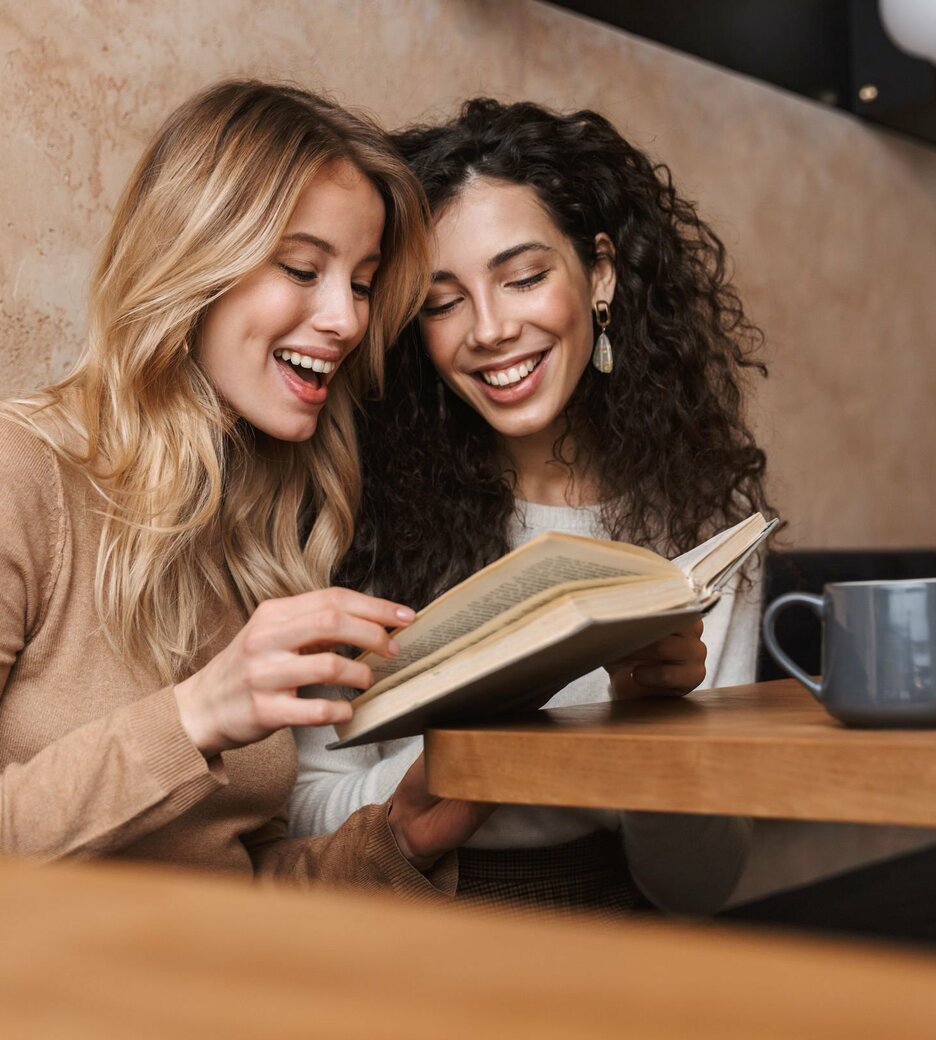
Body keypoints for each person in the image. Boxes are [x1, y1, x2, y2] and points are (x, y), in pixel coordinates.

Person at [0, 80, 492, 895]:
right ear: (192, 257)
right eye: (302, 267)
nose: (347, 321)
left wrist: (395, 841)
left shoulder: (250, 529)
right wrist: (191, 719)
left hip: (195, 998)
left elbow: (226, 884)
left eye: (359, 282)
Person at [291, 99, 775, 914]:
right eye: (443, 302)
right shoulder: (356, 512)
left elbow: (699, 887)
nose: (489, 329)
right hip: (403, 915)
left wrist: (648, 720)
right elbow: (300, 811)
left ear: (602, 274)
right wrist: (433, 789)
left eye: (523, 278)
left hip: (618, 928)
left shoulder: (700, 533)